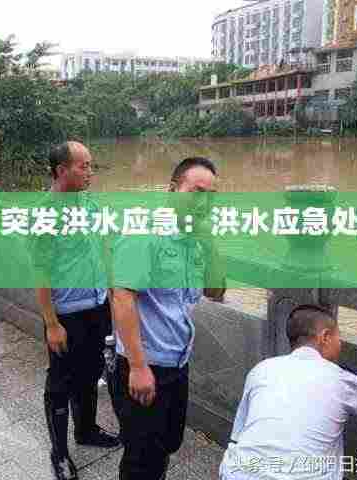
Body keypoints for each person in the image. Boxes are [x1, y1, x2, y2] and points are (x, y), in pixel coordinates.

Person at [109, 157, 226, 480]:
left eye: (211, 196)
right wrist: (138, 366)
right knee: (140, 457)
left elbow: (216, 290)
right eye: (196, 192)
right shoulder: (145, 233)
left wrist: (209, 243)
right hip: (144, 364)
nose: (204, 203)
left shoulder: (194, 240)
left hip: (177, 362)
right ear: (173, 190)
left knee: (168, 442)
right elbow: (122, 297)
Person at [33, 141, 120, 480]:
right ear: (61, 171)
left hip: (98, 306)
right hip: (66, 313)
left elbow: (104, 248)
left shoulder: (90, 204)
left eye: (90, 165)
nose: (90, 172)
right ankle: (59, 453)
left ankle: (86, 430)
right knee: (60, 381)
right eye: (83, 166)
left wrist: (113, 293)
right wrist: (51, 323)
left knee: (91, 371)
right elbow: (40, 272)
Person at [219, 304, 357, 480]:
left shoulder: (261, 369)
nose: (340, 344)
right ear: (325, 337)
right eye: (338, 337)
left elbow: (238, 434)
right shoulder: (342, 379)